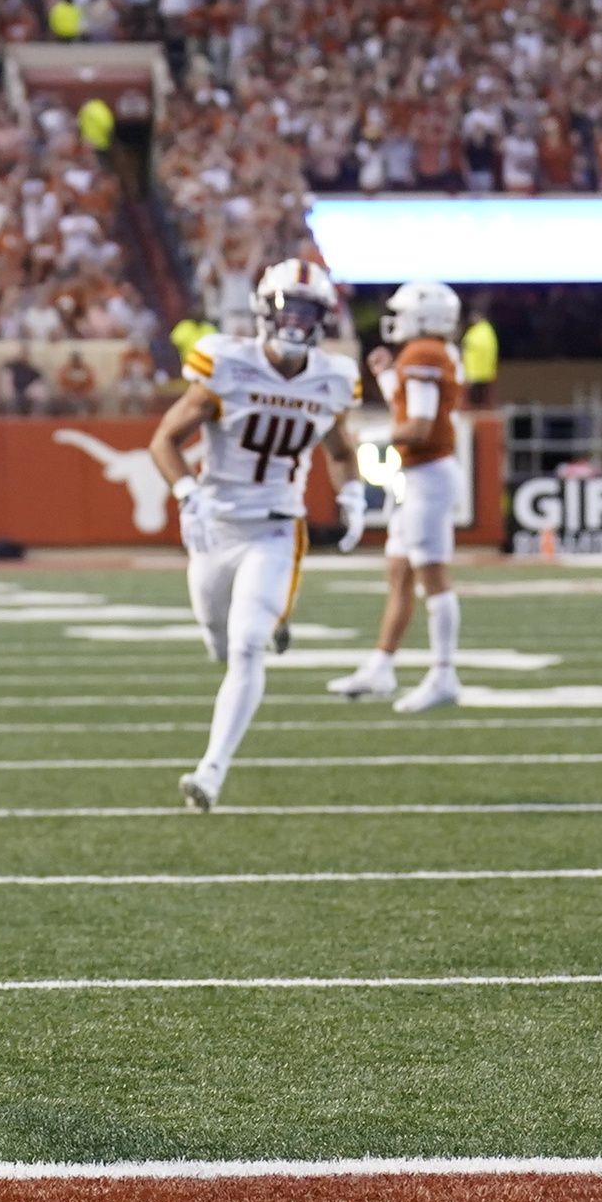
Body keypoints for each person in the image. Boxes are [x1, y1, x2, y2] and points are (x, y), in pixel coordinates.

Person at [150, 259, 364, 813]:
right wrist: (187, 494)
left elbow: (340, 450)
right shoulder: (228, 363)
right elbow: (164, 440)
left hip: (275, 525)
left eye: (308, 310)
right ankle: (274, 616)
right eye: (288, 306)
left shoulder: (334, 377)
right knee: (218, 640)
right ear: (265, 309)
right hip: (215, 523)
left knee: (246, 647)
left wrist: (351, 493)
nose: (296, 320)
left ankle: (211, 771)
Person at [329, 281, 465, 713]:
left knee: (432, 576)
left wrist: (368, 434)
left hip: (427, 473)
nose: (396, 320)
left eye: (403, 312)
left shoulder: (424, 354)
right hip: (420, 476)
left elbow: (420, 427)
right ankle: (382, 664)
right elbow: (413, 409)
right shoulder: (429, 354)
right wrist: (388, 378)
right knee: (399, 573)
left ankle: (444, 674)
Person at [461, 304, 498, 408]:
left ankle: (482, 407)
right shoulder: (474, 329)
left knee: (481, 390)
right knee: (472, 390)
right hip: (472, 365)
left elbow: (484, 345)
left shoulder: (485, 329)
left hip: (480, 365)